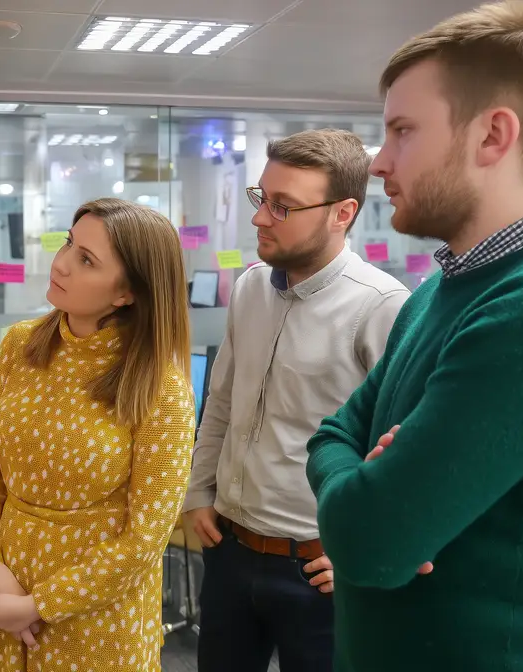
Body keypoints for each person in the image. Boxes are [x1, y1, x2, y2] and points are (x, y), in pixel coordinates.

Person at [306, 2, 523, 670]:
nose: (378, 163)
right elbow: (332, 434)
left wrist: (374, 497)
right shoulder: (448, 287)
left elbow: (370, 541)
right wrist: (368, 476)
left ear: (493, 136)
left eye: (403, 132)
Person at [184, 129, 409, 672]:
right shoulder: (250, 287)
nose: (260, 218)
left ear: (343, 212)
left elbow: (405, 445)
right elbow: (222, 400)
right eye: (262, 199)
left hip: (317, 571)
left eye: (283, 207)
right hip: (230, 549)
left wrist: (369, 546)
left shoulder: (382, 306)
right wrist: (198, 488)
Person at [0, 198, 196, 671]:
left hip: (96, 618)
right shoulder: (19, 346)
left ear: (127, 292)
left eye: (86, 259)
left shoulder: (160, 388)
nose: (61, 263)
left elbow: (144, 539)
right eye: (69, 243)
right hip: (1, 595)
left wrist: (37, 605)